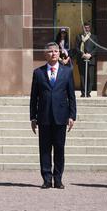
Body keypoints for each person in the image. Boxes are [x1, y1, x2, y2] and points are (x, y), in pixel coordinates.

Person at [29, 42, 77, 189]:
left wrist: (72, 116)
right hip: (43, 117)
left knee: (59, 149)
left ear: (59, 53)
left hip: (61, 117)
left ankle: (58, 179)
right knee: (44, 149)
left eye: (56, 51)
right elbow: (34, 97)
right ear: (45, 54)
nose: (53, 54)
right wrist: (33, 117)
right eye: (50, 51)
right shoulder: (38, 72)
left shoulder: (67, 72)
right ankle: (46, 179)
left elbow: (71, 96)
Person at [76, 22, 98, 97]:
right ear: (83, 28)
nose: (86, 29)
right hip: (81, 59)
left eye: (88, 27)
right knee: (82, 76)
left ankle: (88, 92)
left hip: (90, 60)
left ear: (90, 28)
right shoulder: (79, 37)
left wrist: (90, 55)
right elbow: (76, 47)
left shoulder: (94, 37)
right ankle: (83, 92)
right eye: (85, 27)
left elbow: (96, 48)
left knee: (90, 76)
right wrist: (82, 54)